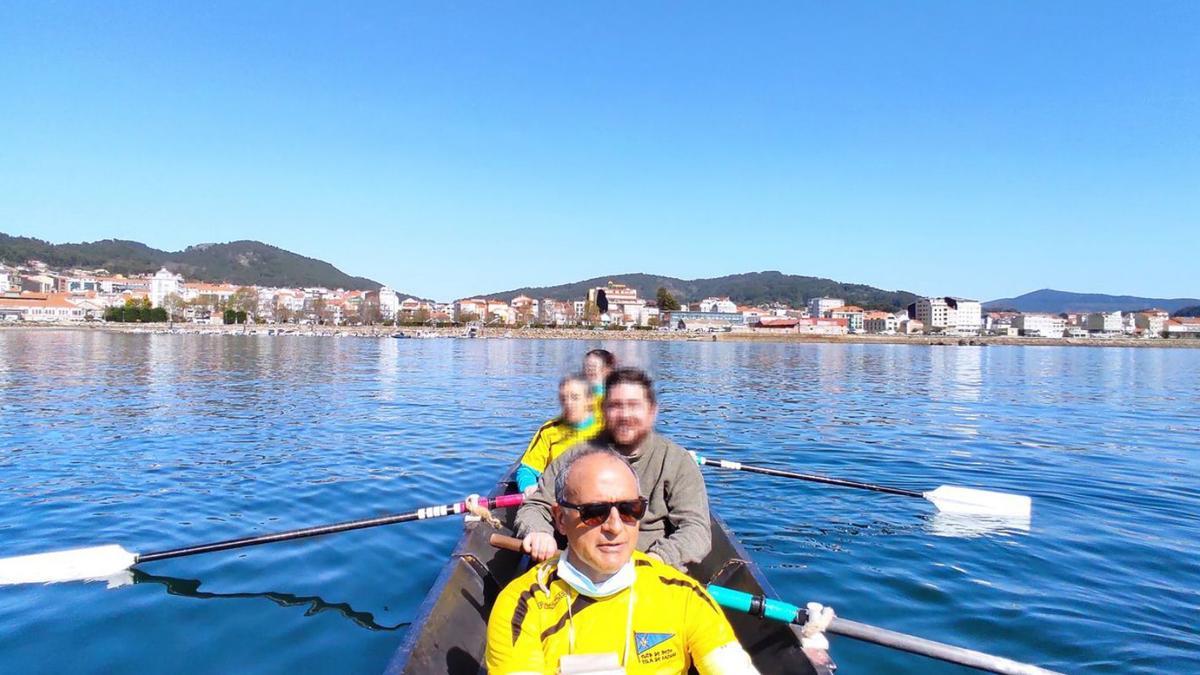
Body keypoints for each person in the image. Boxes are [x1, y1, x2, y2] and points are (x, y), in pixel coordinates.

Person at [487, 447, 757, 674]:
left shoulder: (685, 596)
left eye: (630, 510)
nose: (615, 526)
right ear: (560, 519)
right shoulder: (521, 607)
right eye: (594, 512)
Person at [517, 368, 711, 570]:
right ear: (603, 411)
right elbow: (535, 505)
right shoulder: (576, 457)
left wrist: (657, 558)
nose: (625, 415)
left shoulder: (676, 461)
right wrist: (539, 532)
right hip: (582, 569)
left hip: (649, 573)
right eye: (616, 406)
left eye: (634, 405)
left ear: (652, 411)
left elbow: (696, 530)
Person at [516, 374, 603, 495]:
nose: (568, 403)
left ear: (590, 400)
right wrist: (528, 486)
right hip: (558, 498)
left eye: (575, 397)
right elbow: (527, 471)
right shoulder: (549, 431)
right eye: (563, 398)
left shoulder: (604, 428)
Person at [583, 349, 616, 421]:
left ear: (607, 369)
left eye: (593, 367)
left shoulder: (610, 395)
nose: (588, 370)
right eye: (586, 366)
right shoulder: (583, 393)